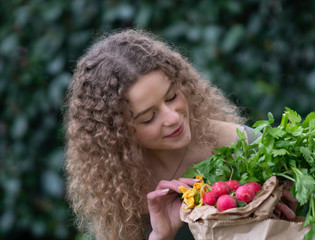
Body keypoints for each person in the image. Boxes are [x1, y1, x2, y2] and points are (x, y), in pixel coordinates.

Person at [64, 29, 298, 240]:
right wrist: (161, 236)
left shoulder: (245, 145)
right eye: (148, 117)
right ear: (120, 133)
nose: (173, 117)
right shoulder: (118, 190)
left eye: (172, 96)